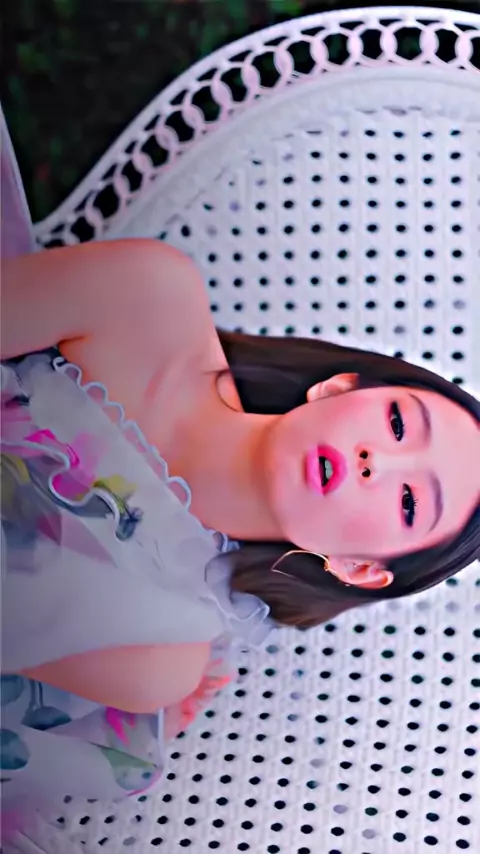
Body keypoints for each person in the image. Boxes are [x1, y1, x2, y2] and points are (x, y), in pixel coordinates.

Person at [1, 109, 479, 823]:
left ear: (357, 568)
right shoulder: (148, 296)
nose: (377, 460)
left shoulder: (155, 653)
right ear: (340, 387)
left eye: (410, 502)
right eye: (397, 421)